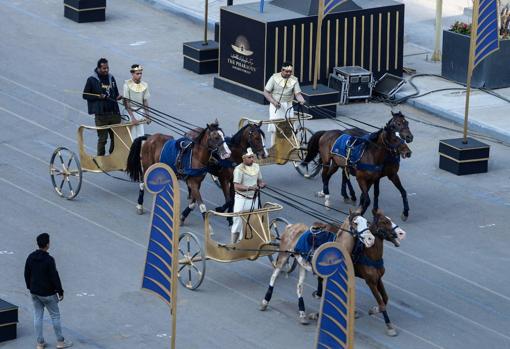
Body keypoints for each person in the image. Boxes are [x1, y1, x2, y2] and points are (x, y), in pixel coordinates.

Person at [24, 233, 72, 349]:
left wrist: (30, 287)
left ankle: (40, 343)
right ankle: (60, 342)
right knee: (55, 316)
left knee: (38, 316)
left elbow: (26, 273)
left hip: (35, 292)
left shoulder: (30, 257)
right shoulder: (49, 260)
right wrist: (60, 291)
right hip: (48, 294)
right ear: (47, 244)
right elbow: (54, 277)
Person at [82, 57, 122, 156]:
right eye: (104, 68)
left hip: (114, 113)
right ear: (99, 68)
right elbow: (85, 95)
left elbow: (115, 93)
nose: (106, 70)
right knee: (103, 139)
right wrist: (98, 97)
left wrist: (118, 96)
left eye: (107, 68)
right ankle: (101, 160)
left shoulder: (111, 77)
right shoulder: (91, 80)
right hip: (101, 115)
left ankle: (113, 157)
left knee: (116, 138)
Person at [263, 61, 305, 146]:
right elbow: (266, 92)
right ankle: (273, 147)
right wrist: (274, 102)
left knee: (289, 127)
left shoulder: (294, 80)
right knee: (276, 128)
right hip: (276, 106)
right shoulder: (274, 78)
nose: (288, 73)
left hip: (288, 105)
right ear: (282, 70)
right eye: (286, 71)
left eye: (290, 72)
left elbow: (298, 94)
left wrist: (301, 100)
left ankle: (289, 147)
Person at [231, 148, 266, 243]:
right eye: (249, 157)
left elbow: (259, 180)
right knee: (238, 222)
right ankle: (233, 243)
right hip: (241, 199)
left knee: (252, 221)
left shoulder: (256, 167)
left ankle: (246, 241)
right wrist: (250, 188)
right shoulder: (238, 169)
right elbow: (236, 186)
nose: (252, 159)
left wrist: (261, 184)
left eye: (252, 157)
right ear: (244, 158)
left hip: (254, 198)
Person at [123, 64, 151, 140]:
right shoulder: (127, 85)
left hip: (140, 112)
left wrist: (147, 115)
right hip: (130, 112)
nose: (140, 75)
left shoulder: (145, 85)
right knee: (131, 136)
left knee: (140, 135)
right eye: (137, 74)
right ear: (132, 74)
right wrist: (132, 118)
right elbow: (126, 103)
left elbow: (145, 101)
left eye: (140, 73)